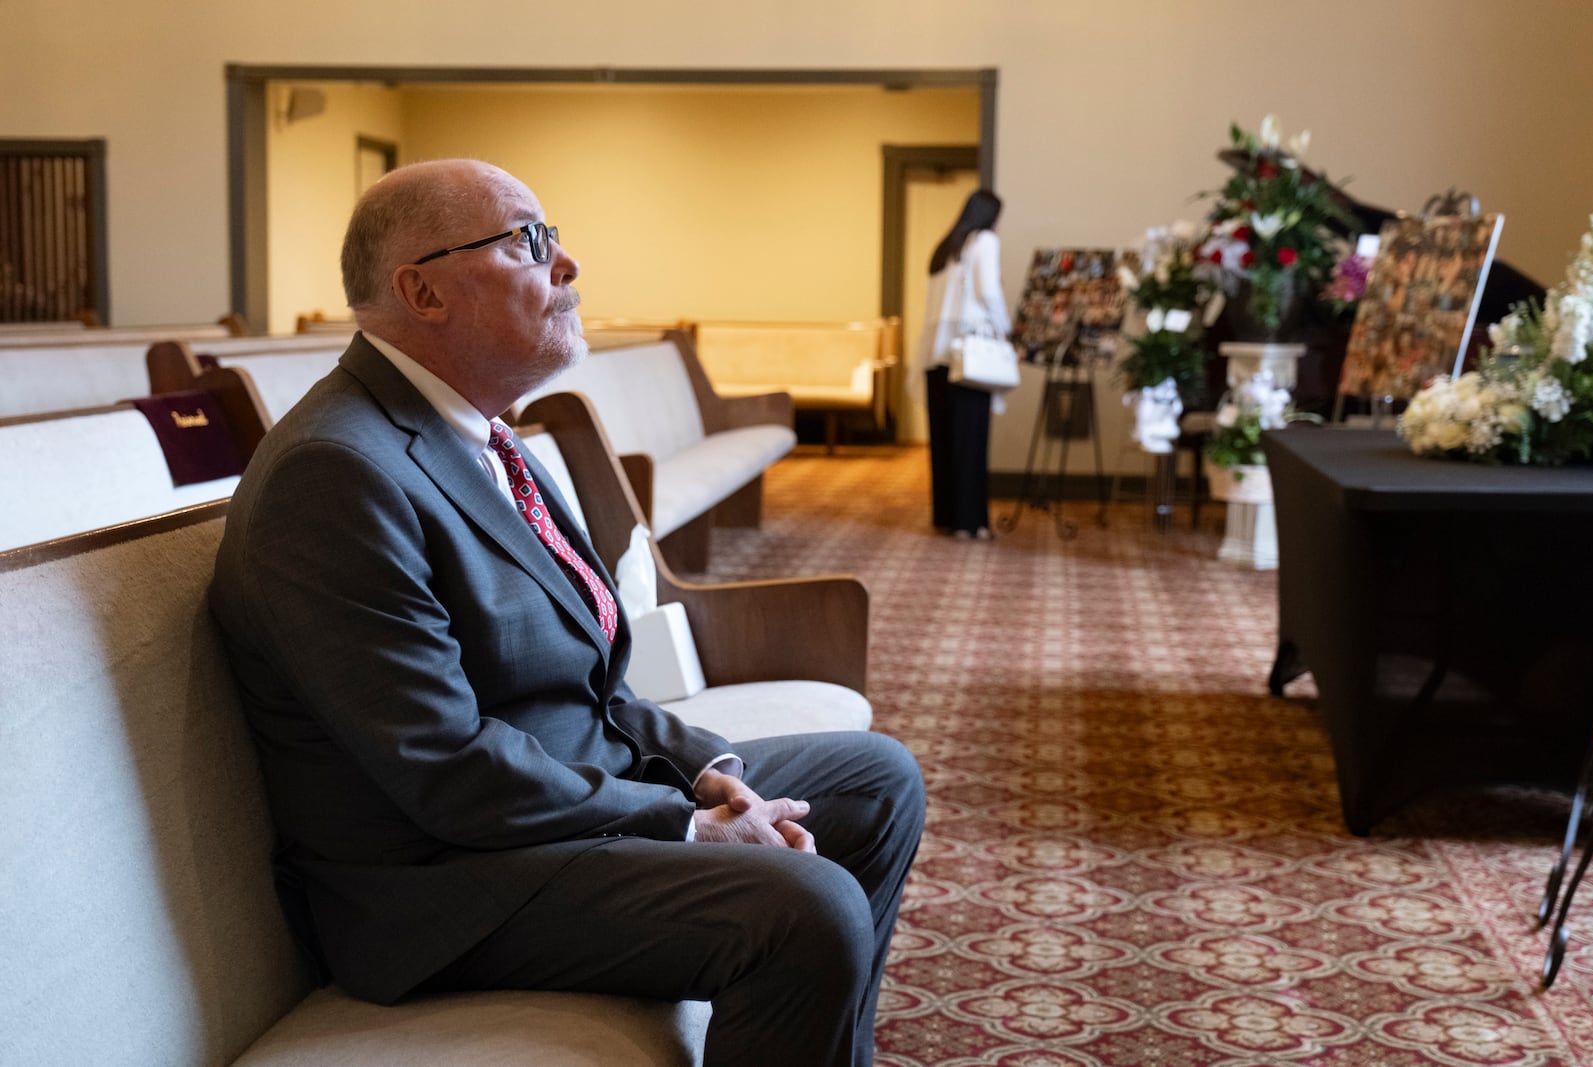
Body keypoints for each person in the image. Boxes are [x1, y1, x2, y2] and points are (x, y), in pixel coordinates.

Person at [209, 158, 924, 1067]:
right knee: (803, 907)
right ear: (421, 290)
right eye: (527, 241)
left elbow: (589, 684)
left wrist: (711, 773)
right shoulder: (336, 472)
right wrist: (688, 826)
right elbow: (445, 767)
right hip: (451, 879)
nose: (568, 265)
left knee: (874, 780)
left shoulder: (484, 433)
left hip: (558, 803)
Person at [914, 189, 1015, 539]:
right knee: (970, 440)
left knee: (943, 440)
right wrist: (1007, 330)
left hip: (935, 354)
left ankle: (946, 515)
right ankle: (969, 521)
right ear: (991, 217)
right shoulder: (984, 240)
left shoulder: (945, 248)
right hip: (969, 357)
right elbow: (988, 292)